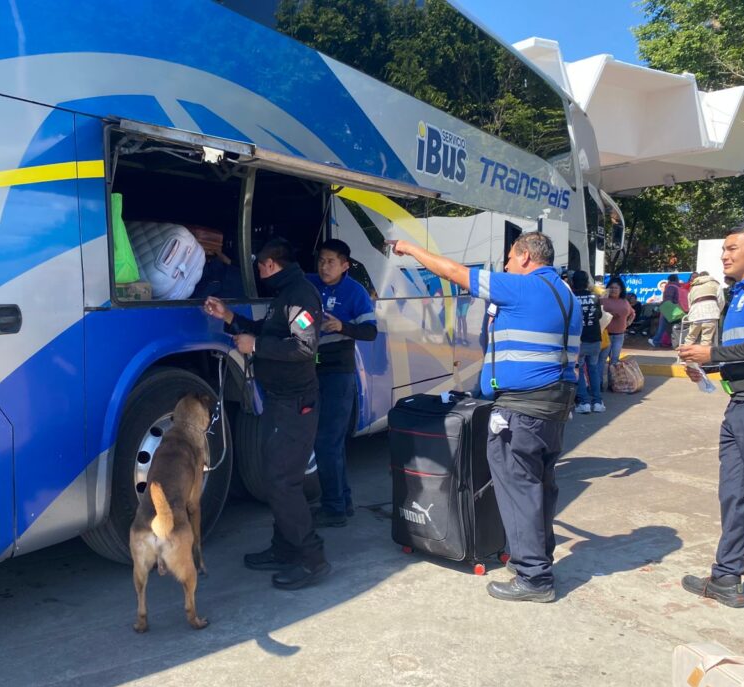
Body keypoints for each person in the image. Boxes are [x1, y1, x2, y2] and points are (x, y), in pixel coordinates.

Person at [391, 232, 581, 603]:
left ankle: (534, 577)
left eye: (509, 258)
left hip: (522, 410)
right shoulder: (567, 295)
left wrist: (410, 248)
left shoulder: (522, 288)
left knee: (519, 490)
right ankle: (536, 560)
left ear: (525, 257)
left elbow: (452, 272)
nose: (505, 266)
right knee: (540, 488)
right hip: (554, 407)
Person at [203, 238, 329, 590]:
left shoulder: (300, 295)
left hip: (296, 402)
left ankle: (312, 559)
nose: (256, 270)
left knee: (283, 481)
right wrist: (229, 317)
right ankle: (284, 548)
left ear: (272, 264)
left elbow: (304, 347)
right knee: (276, 478)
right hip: (280, 400)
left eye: (259, 265)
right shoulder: (284, 294)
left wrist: (255, 346)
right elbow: (269, 332)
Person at [678, 221, 744, 608]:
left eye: (732, 248)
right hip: (740, 406)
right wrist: (709, 367)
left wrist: (711, 353)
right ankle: (726, 577)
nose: (724, 255)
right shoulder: (738, 292)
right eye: (724, 249)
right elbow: (743, 350)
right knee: (733, 495)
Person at [306, 239, 378, 528]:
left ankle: (334, 509)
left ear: (345, 265)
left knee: (326, 441)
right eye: (321, 261)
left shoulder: (355, 292)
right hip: (313, 369)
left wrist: (342, 327)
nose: (324, 267)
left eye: (331, 262)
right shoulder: (310, 284)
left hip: (339, 372)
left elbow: (370, 332)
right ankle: (342, 502)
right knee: (330, 443)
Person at [572, 271, 604, 414]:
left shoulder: (572, 297)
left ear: (573, 282)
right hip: (595, 338)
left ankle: (584, 402)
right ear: (586, 282)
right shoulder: (595, 296)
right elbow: (599, 315)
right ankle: (597, 402)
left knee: (579, 369)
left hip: (578, 339)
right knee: (593, 369)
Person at [601, 281, 636, 373]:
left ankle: (613, 380)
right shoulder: (603, 300)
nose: (613, 290)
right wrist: (609, 314)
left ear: (621, 290)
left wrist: (628, 323)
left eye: (616, 288)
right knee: (602, 360)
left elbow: (632, 313)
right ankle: (599, 380)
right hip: (605, 335)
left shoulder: (624, 301)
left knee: (615, 361)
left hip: (619, 335)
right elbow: (597, 314)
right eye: (611, 288)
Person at [683, 271, 724, 346]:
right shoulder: (715, 284)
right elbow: (721, 300)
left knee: (690, 338)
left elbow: (690, 302)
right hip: (711, 313)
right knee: (706, 339)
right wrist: (718, 311)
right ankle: (703, 353)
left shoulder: (694, 286)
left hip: (695, 314)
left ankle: (683, 352)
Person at [649, 274, 681, 348]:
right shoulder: (679, 287)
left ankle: (656, 341)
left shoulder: (670, 287)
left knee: (662, 326)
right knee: (674, 327)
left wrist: (664, 308)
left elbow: (668, 299)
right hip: (678, 309)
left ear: (669, 280)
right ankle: (675, 343)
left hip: (669, 308)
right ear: (677, 280)